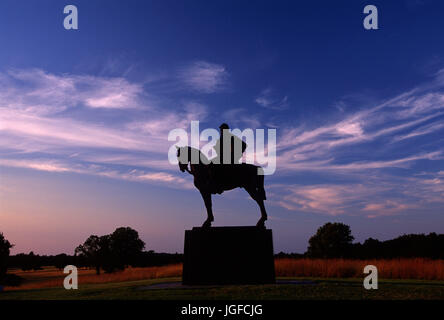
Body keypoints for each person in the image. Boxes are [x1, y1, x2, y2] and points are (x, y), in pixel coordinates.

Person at [211, 123, 247, 194]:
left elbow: (243, 145)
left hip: (229, 158)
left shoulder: (231, 138)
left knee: (217, 167)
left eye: (222, 129)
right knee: (210, 165)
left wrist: (237, 153)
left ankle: (219, 186)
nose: (221, 131)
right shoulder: (221, 139)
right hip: (221, 157)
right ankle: (215, 185)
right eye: (221, 130)